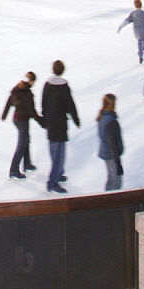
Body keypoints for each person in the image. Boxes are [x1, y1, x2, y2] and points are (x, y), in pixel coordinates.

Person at [41, 60, 80, 194]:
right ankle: (53, 182)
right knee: (60, 154)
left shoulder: (47, 85)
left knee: (53, 150)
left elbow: (43, 103)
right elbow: (70, 104)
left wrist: (44, 119)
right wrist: (76, 119)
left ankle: (58, 173)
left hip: (51, 123)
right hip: (60, 123)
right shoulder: (64, 87)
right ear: (62, 70)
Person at [1, 72, 43, 179]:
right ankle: (14, 170)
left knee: (26, 140)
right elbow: (32, 112)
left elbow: (9, 101)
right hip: (22, 121)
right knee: (21, 145)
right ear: (31, 81)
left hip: (17, 119)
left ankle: (27, 164)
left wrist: (4, 115)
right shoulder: (27, 94)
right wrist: (43, 122)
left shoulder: (17, 89)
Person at [96, 94, 124, 190]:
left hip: (106, 151)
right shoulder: (111, 121)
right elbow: (113, 144)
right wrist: (118, 162)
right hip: (111, 154)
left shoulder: (102, 116)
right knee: (116, 180)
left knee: (111, 177)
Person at [117, 0, 144, 65]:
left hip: (137, 32)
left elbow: (126, 21)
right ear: (141, 5)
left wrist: (120, 27)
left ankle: (140, 56)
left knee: (140, 43)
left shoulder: (133, 14)